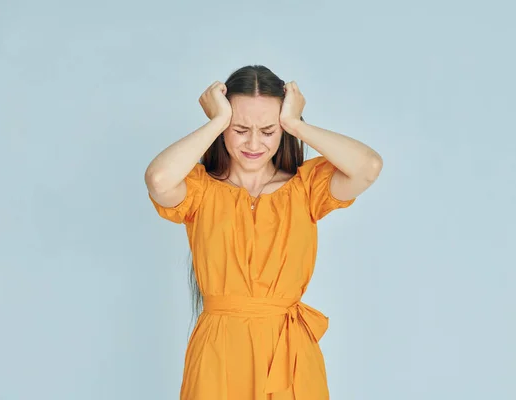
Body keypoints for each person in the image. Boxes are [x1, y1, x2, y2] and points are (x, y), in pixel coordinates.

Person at [144, 65, 383, 400]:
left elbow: (368, 166)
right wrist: (214, 122)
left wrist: (297, 124)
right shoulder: (200, 190)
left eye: (269, 130)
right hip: (218, 352)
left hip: (289, 354)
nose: (253, 143)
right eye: (239, 128)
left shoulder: (306, 188)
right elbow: (157, 180)